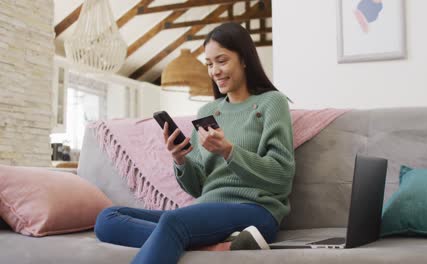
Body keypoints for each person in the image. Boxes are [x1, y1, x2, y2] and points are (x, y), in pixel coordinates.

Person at [94, 22, 296, 264]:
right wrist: (180, 160)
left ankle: (185, 238)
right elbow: (198, 187)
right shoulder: (209, 110)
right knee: (108, 218)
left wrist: (229, 151)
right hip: (206, 211)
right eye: (209, 64)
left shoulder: (272, 103)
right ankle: (212, 247)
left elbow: (282, 176)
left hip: (255, 210)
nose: (214, 71)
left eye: (222, 61)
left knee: (173, 222)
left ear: (244, 59)